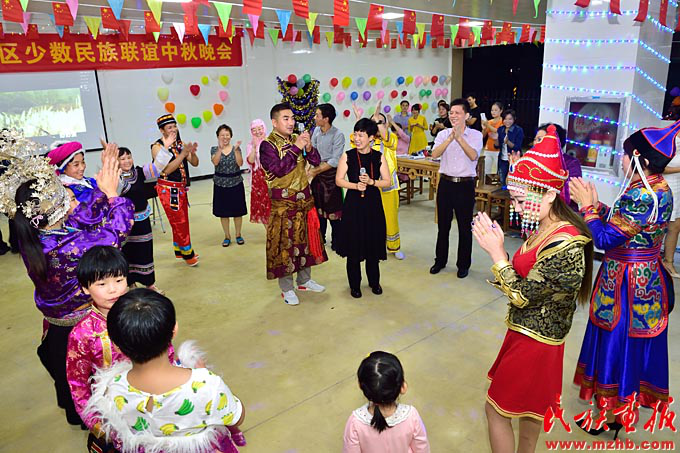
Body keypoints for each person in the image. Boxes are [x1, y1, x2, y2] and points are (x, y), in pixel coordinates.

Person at [472, 125, 593, 453]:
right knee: (529, 413)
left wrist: (498, 255)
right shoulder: (547, 226)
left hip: (536, 341)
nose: (518, 207)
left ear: (551, 194)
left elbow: (523, 295)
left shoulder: (566, 242)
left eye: (524, 199)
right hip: (525, 332)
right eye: (515, 199)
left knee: (496, 411)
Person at [0, 132, 134, 427]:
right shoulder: (65, 247)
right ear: (55, 208)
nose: (70, 198)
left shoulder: (39, 235)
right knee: (92, 381)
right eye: (65, 196)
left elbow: (83, 216)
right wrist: (113, 196)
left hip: (55, 325)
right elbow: (115, 234)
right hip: (81, 328)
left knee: (68, 377)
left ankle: (79, 415)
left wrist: (101, 191)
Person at [571, 120, 678, 433]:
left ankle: (612, 415)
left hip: (626, 284)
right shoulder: (656, 187)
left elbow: (605, 239)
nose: (621, 159)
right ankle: (618, 410)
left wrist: (587, 209)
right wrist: (598, 206)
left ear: (639, 160)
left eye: (625, 154)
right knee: (629, 347)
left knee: (617, 346)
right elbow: (625, 223)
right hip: (643, 277)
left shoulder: (643, 194)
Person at [85, 289, 245, 453]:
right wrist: (203, 373)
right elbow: (236, 417)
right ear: (174, 330)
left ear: (116, 345)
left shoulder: (113, 389)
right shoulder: (207, 385)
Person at [259, 103, 327, 306]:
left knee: (305, 243)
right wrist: (297, 146)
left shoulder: (295, 138)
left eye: (292, 118)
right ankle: (287, 288)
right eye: (286, 118)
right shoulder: (267, 145)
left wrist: (308, 147)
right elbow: (279, 170)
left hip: (303, 201)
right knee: (285, 247)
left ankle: (304, 281)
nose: (291, 122)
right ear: (274, 122)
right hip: (283, 205)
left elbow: (316, 160)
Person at [336, 118, 390, 298]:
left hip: (373, 205)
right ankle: (355, 285)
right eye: (355, 135)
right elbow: (339, 180)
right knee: (354, 245)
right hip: (353, 206)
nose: (357, 139)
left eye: (361, 135)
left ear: (371, 138)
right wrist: (355, 186)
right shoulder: (348, 156)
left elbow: (387, 181)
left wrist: (372, 182)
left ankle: (374, 282)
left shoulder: (378, 156)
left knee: (372, 244)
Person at [429, 98, 483, 278]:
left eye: (457, 113)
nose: (453, 116)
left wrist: (459, 138)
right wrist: (450, 137)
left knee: (464, 227)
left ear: (466, 115)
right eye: (451, 112)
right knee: (443, 226)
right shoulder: (443, 134)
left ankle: (463, 265)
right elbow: (434, 154)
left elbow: (473, 155)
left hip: (465, 185)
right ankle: (440, 261)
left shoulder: (475, 135)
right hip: (445, 184)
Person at [343, 351, 430, 452]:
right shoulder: (412, 416)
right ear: (403, 387)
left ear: (360, 386)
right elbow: (422, 449)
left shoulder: (355, 423)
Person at [151, 114, 199, 266]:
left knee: (182, 221)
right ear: (162, 131)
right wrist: (183, 154)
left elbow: (195, 163)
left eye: (175, 126)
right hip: (168, 189)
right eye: (169, 127)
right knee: (179, 222)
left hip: (181, 188)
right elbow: (166, 170)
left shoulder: (180, 144)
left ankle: (182, 250)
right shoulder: (157, 147)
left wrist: (192, 152)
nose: (174, 129)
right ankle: (188, 254)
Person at [118, 148, 162, 293]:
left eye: (129, 157)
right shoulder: (115, 179)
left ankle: (150, 283)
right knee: (127, 251)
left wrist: (165, 146)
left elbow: (158, 167)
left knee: (145, 251)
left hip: (142, 220)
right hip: (124, 223)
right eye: (122, 158)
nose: (127, 161)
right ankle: (130, 283)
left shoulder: (140, 172)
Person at [309, 103, 345, 251]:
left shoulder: (338, 135)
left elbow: (335, 160)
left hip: (331, 176)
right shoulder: (316, 131)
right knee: (319, 209)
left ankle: (338, 241)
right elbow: (312, 151)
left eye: (317, 115)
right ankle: (320, 239)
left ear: (326, 119)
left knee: (334, 211)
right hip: (318, 176)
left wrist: (315, 170)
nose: (315, 118)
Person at [211, 124, 247, 247]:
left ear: (231, 136)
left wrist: (236, 150)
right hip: (220, 184)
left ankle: (238, 234)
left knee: (238, 212)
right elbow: (215, 162)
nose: (225, 137)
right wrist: (220, 149)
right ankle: (227, 236)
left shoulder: (236, 148)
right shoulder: (214, 149)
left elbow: (240, 163)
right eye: (222, 135)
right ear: (218, 136)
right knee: (223, 213)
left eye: (227, 135)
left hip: (236, 183)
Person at [535, 123, 582, 211]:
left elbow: (571, 190)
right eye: (535, 139)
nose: (535, 143)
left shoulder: (571, 162)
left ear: (555, 141)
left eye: (539, 139)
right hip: (538, 210)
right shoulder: (533, 161)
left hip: (564, 212)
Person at [245, 119, 271, 225]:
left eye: (260, 129)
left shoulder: (270, 141)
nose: (257, 132)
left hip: (271, 176)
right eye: (254, 130)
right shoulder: (250, 145)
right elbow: (250, 161)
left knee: (274, 205)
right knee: (263, 207)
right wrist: (255, 147)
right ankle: (269, 232)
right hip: (259, 179)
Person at [662, 138, 680, 278]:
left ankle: (668, 262)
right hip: (666, 185)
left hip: (679, 185)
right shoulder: (668, 139)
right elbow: (657, 166)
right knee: (661, 224)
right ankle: (652, 259)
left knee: (676, 225)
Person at [495, 109, 524, 188]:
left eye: (510, 119)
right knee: (502, 181)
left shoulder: (518, 130)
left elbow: (517, 147)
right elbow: (496, 146)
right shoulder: (500, 129)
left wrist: (507, 142)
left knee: (513, 181)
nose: (507, 121)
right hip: (502, 159)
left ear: (514, 119)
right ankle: (503, 193)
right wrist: (496, 138)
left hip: (514, 160)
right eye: (505, 119)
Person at [482, 102, 503, 177]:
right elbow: (483, 136)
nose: (493, 112)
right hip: (488, 149)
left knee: (499, 171)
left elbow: (498, 131)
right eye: (492, 110)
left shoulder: (503, 121)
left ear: (501, 111)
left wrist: (488, 125)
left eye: (495, 110)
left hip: (498, 150)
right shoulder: (489, 122)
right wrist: (484, 128)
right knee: (486, 171)